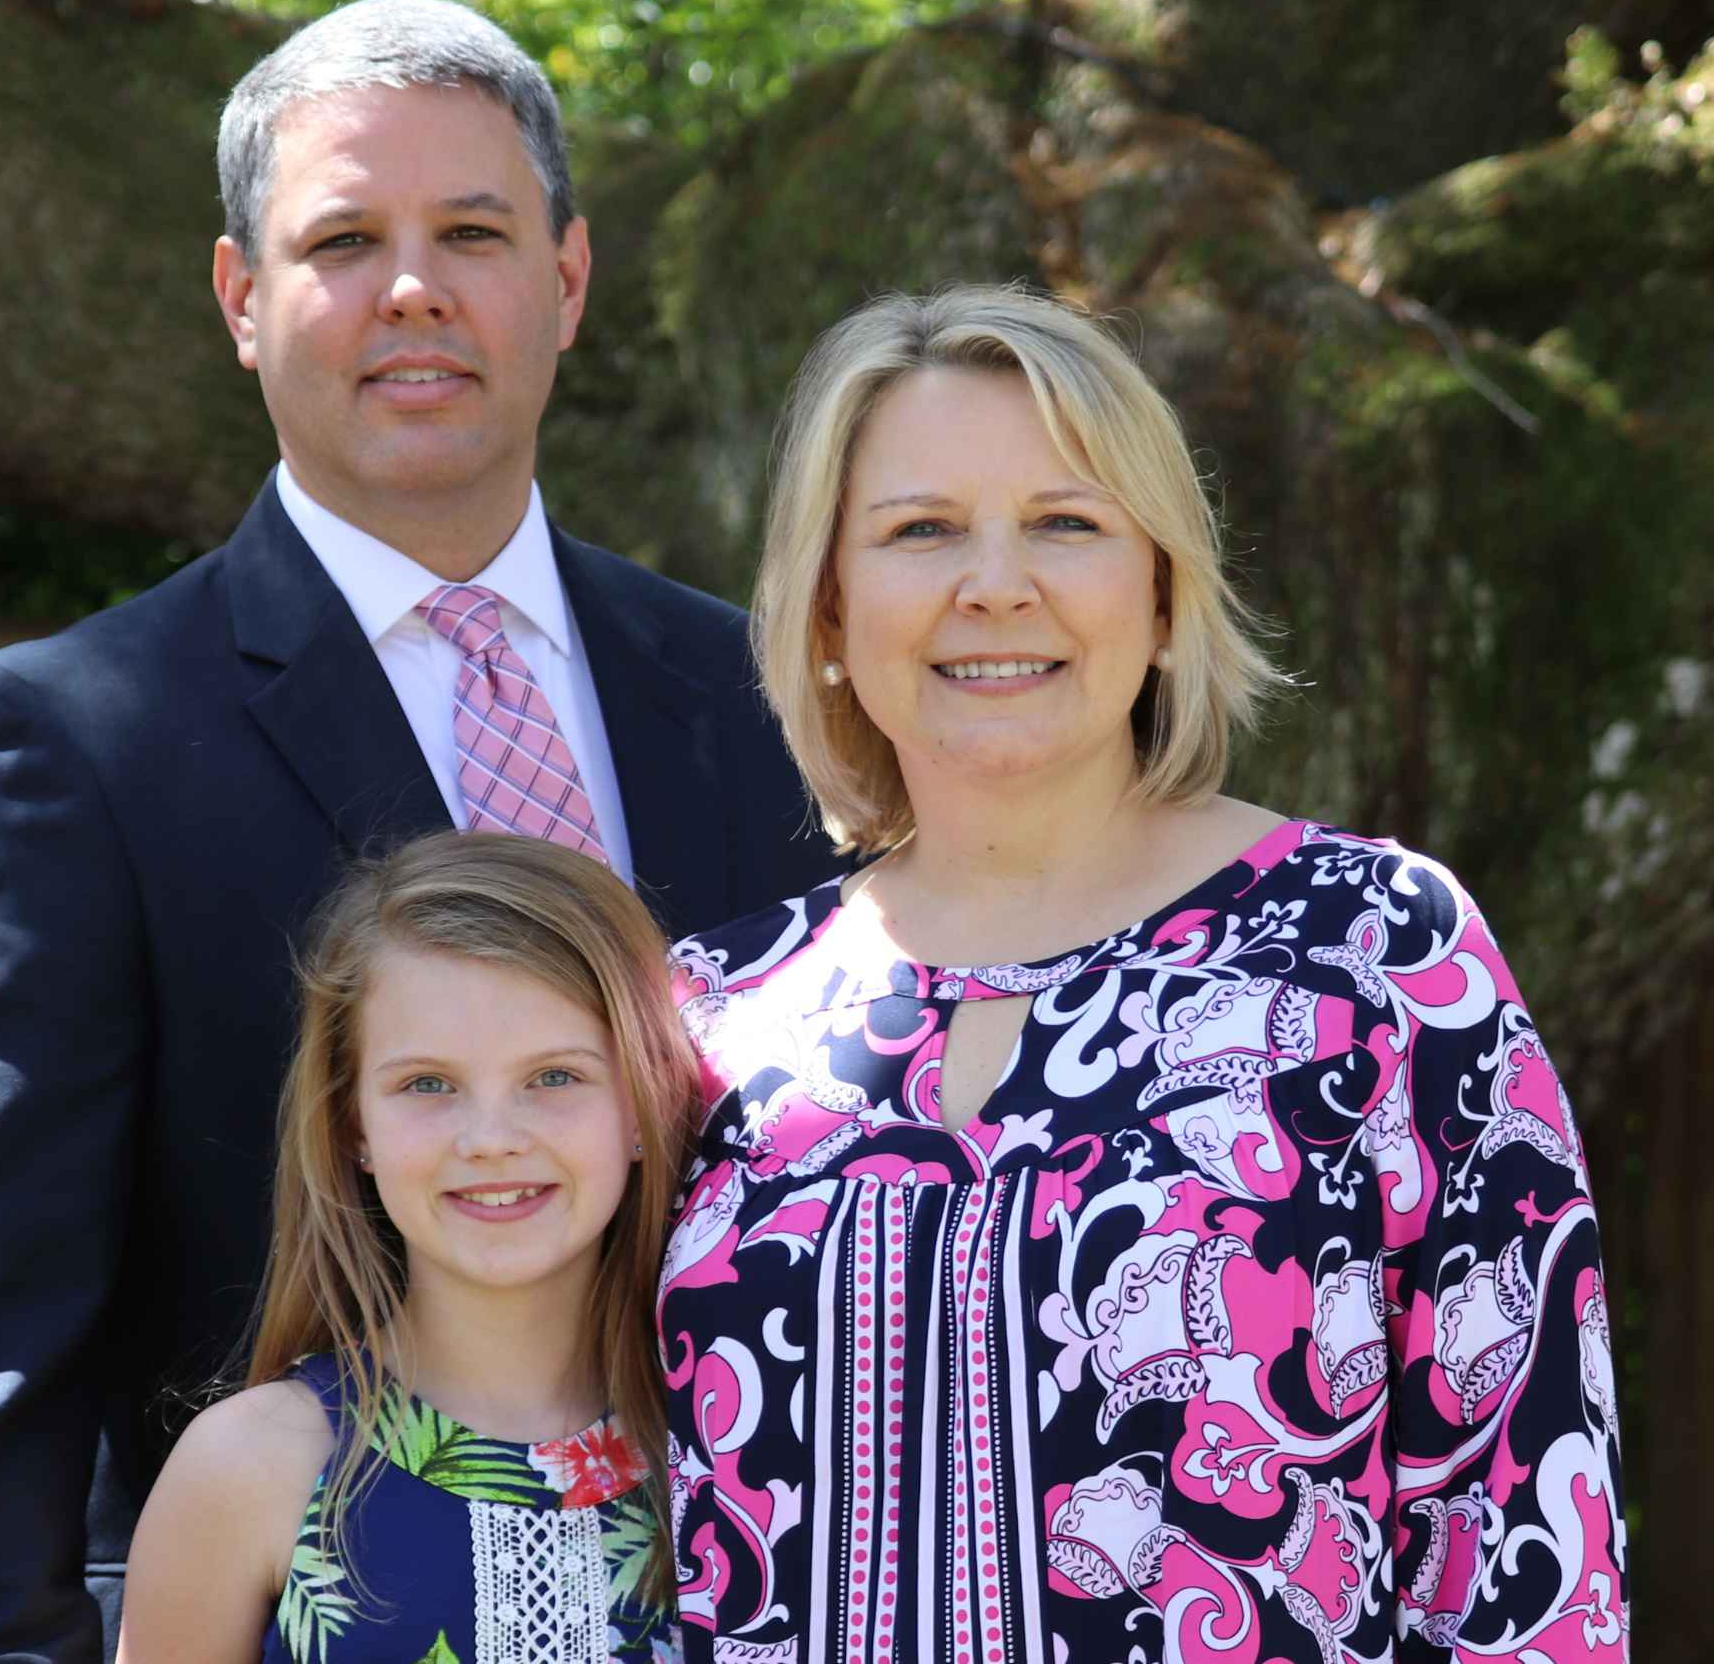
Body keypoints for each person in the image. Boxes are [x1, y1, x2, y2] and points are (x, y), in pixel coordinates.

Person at [0, 0, 834, 1662]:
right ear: (243, 297)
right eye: (341, 240)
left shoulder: (756, 691)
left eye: (470, 230)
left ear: (568, 280)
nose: (412, 289)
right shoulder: (71, 738)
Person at [660, 284, 1628, 1660]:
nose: (995, 582)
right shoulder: (705, 1018)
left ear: (1165, 592)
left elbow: (1531, 1539)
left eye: (1067, 522)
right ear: (827, 604)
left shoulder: (1373, 948)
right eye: (920, 529)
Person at [118, 832, 691, 1663]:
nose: (491, 1138)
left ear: (641, 1103)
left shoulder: (742, 1454)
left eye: (554, 1076)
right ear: (355, 1124)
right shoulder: (247, 1471)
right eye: (428, 1083)